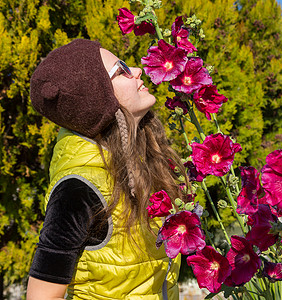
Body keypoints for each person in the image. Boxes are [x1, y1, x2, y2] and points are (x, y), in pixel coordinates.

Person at [27, 39, 186, 300]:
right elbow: (41, 295)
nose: (136, 70)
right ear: (97, 98)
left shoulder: (141, 166)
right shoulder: (79, 190)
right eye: (120, 70)